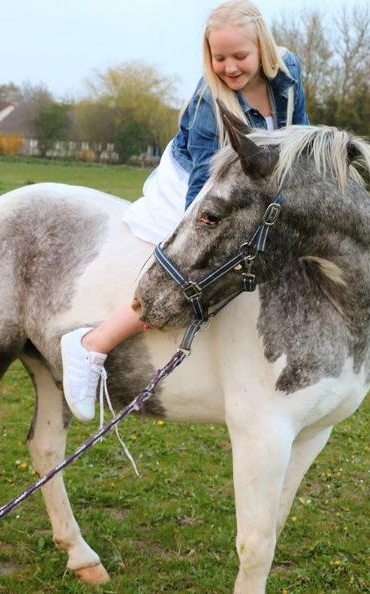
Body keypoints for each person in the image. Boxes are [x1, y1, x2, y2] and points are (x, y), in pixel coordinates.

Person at [61, 0, 309, 421]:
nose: (229, 67)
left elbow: (298, 133)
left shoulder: (288, 75)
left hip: (249, 185)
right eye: (219, 57)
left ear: (263, 49)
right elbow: (203, 181)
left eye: (240, 56)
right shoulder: (210, 101)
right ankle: (93, 345)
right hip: (196, 187)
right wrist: (200, 231)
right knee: (181, 274)